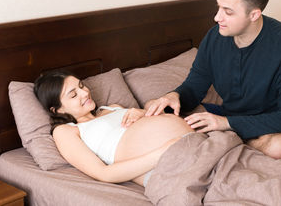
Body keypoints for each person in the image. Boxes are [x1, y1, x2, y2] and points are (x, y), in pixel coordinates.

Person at [145, 0, 281, 162]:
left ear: (254, 14)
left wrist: (226, 123)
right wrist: (173, 96)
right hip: (229, 116)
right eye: (218, 8)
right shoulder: (214, 37)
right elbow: (193, 88)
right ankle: (231, 144)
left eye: (228, 12)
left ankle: (227, 144)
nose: (217, 18)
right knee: (154, 107)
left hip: (271, 124)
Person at [34, 70, 193, 186]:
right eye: (73, 95)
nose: (84, 93)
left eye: (81, 86)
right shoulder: (66, 131)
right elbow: (104, 174)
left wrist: (142, 113)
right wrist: (164, 151)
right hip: (167, 165)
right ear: (58, 109)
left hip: (193, 143)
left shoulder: (111, 108)